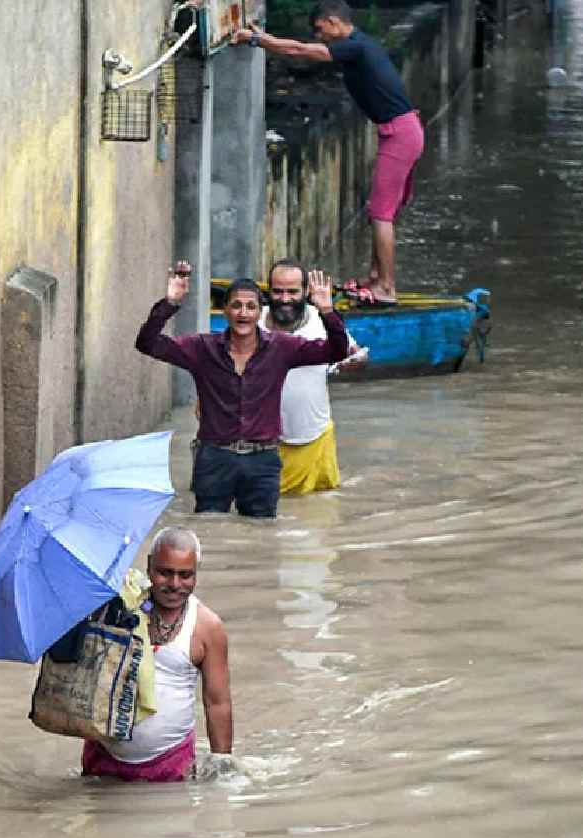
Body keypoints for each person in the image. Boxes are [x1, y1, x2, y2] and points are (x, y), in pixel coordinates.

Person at [233, 0, 424, 305]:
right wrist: (262, 36)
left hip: (400, 134)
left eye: (321, 30)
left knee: (380, 214)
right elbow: (300, 47)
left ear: (335, 22)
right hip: (402, 131)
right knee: (380, 211)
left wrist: (256, 40)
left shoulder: (356, 47)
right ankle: (376, 277)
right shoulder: (359, 46)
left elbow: (299, 51)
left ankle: (386, 287)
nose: (319, 37)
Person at [135, 260, 350, 517]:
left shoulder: (282, 348)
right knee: (210, 529)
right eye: (236, 306)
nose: (243, 313)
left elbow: (337, 351)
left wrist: (326, 309)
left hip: (263, 461)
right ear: (224, 311)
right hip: (214, 459)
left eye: (251, 307)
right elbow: (147, 343)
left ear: (260, 313)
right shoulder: (203, 349)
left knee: (262, 534)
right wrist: (171, 303)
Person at [82, 527, 231, 782]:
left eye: (185, 575)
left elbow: (217, 704)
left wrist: (222, 768)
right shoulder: (122, 606)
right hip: (103, 758)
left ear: (196, 574)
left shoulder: (207, 627)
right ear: (149, 567)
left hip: (171, 764)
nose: (174, 584)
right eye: (165, 573)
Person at [260, 258, 364, 496]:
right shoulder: (253, 322)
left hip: (315, 437)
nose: (285, 299)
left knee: (321, 509)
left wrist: (351, 363)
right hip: (264, 443)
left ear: (305, 292)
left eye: (292, 292)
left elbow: (355, 355)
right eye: (278, 291)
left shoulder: (321, 321)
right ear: (268, 291)